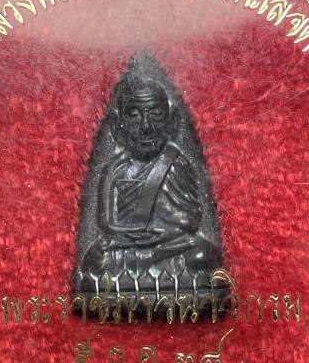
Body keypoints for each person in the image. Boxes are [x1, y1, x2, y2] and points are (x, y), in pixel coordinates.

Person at [80, 73, 221, 288]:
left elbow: (190, 221)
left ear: (172, 121)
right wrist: (133, 236)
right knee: (97, 262)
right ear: (118, 124)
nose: (146, 127)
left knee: (204, 255)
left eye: (156, 115)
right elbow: (106, 224)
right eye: (134, 116)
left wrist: (160, 238)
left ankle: (145, 276)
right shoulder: (115, 168)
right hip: (126, 247)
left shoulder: (175, 163)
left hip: (171, 244)